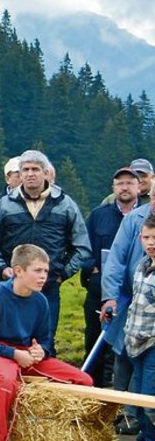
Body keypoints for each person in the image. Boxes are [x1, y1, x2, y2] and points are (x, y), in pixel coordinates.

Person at [0, 244, 93, 441]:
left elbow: (45, 341)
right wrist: (14, 355)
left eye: (46, 271)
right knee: (4, 382)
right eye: (38, 271)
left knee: (84, 380)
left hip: (23, 352)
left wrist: (40, 351)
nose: (44, 276)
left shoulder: (41, 301)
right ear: (18, 271)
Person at [0, 149, 91, 356]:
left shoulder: (65, 205)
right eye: (25, 169)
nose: (30, 174)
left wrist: (62, 274)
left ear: (46, 173)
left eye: (35, 169)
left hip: (47, 288)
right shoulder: (4, 205)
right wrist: (2, 268)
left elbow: (82, 247)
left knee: (44, 343)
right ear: (20, 174)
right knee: (5, 341)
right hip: (9, 288)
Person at [82, 166, 141, 388]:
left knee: (125, 346)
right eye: (120, 183)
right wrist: (92, 269)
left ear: (138, 187)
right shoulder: (99, 215)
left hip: (134, 294)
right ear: (113, 188)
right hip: (100, 289)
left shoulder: (145, 217)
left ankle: (122, 395)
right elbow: (84, 246)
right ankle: (92, 389)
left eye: (129, 183)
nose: (124, 187)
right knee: (95, 339)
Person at [113, 213, 155, 441]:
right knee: (139, 403)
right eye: (147, 237)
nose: (151, 242)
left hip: (153, 344)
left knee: (151, 403)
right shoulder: (141, 266)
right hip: (135, 343)